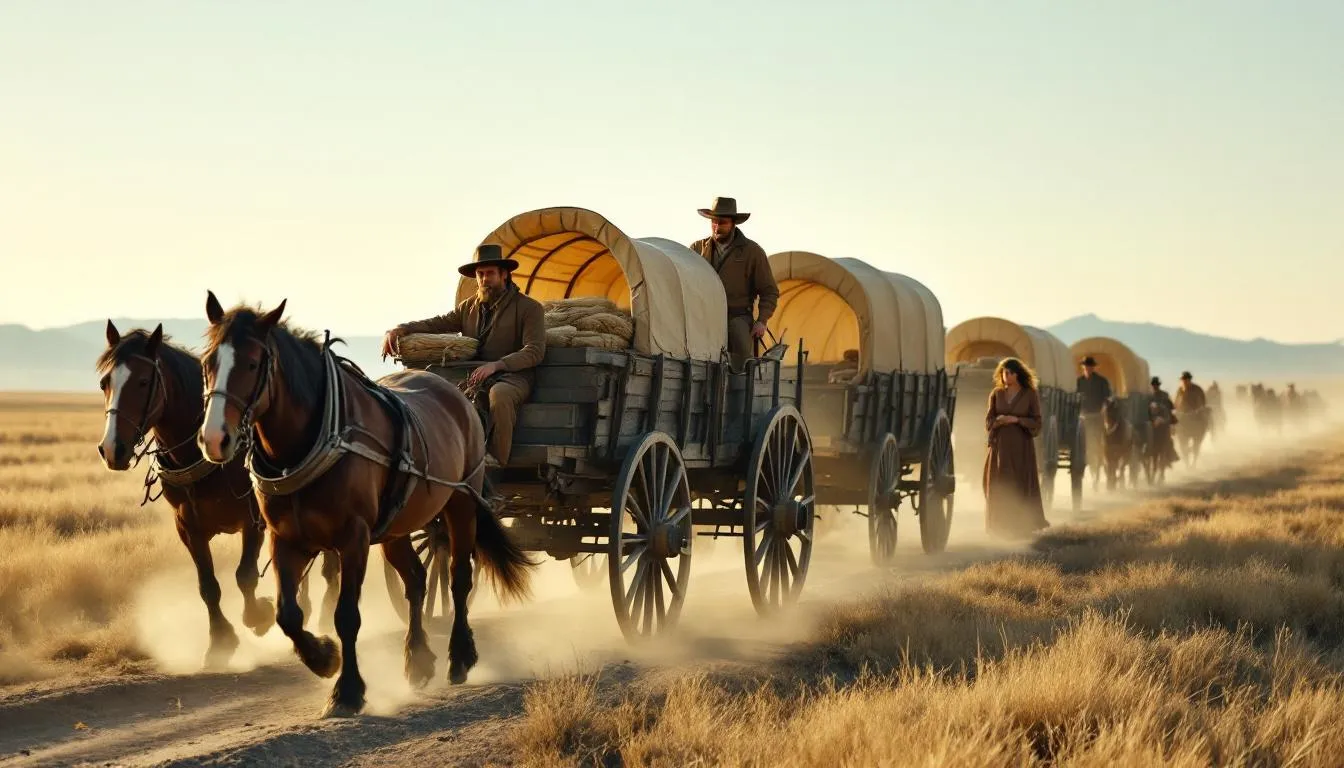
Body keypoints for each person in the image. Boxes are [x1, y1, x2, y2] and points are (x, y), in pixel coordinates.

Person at [381, 244, 546, 468]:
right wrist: (400, 329)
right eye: (480, 274)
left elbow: (534, 351)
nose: (484, 279)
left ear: (504, 275)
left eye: (490, 273)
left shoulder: (529, 308)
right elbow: (436, 323)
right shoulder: (468, 307)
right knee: (439, 394)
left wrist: (498, 365)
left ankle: (495, 460)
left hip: (515, 376)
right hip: (474, 375)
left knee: (500, 395)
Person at [688, 197, 779, 371]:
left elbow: (769, 291)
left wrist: (762, 320)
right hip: (704, 317)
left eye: (722, 223)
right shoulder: (697, 248)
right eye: (714, 222)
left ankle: (741, 390)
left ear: (733, 224)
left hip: (738, 317)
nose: (716, 227)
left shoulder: (752, 252)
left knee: (741, 363)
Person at [983, 357, 1049, 539]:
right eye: (1004, 373)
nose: (1006, 376)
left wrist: (1017, 420)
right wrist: (998, 421)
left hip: (1021, 447)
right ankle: (999, 525)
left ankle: (1021, 525)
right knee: (1000, 484)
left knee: (1019, 482)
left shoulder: (1030, 394)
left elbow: (1037, 421)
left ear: (1017, 374)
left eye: (1009, 372)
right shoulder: (996, 394)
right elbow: (988, 420)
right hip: (1000, 447)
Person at [1149, 376, 1181, 467]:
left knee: (1168, 441)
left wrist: (1162, 419)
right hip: (1152, 423)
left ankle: (1170, 456)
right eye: (1153, 385)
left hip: (1164, 422)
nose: (1155, 386)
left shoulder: (1164, 395)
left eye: (1156, 385)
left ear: (1158, 385)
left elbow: (1170, 408)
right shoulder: (1149, 396)